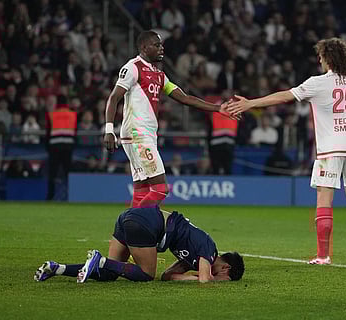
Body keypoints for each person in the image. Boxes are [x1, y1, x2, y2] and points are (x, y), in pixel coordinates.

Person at [227, 38, 346, 265]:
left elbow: (285, 96)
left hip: (329, 151)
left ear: (327, 59)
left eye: (321, 57)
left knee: (324, 198)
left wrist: (251, 103)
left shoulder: (318, 83)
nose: (319, 61)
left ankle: (323, 255)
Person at [104, 30, 234, 208]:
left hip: (147, 135)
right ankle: (130, 225)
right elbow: (114, 97)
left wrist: (218, 108)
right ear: (143, 47)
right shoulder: (133, 67)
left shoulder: (159, 75)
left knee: (142, 189)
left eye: (161, 45)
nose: (161, 48)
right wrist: (109, 130)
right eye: (156, 45)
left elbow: (185, 98)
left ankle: (129, 234)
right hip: (137, 134)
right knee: (160, 188)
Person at [34, 206, 244, 283]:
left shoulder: (195, 257)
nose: (222, 278)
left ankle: (57, 268)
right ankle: (100, 260)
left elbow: (168, 276)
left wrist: (191, 274)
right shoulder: (209, 250)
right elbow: (205, 281)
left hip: (131, 217)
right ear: (226, 268)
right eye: (226, 277)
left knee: (109, 274)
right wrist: (212, 279)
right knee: (145, 274)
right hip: (148, 224)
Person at [45, 95, 77, 200]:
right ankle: (71, 196)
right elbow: (75, 132)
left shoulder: (52, 114)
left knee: (52, 174)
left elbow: (48, 133)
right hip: (68, 147)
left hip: (54, 147)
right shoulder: (73, 115)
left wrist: (48, 147)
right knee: (68, 174)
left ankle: (50, 196)